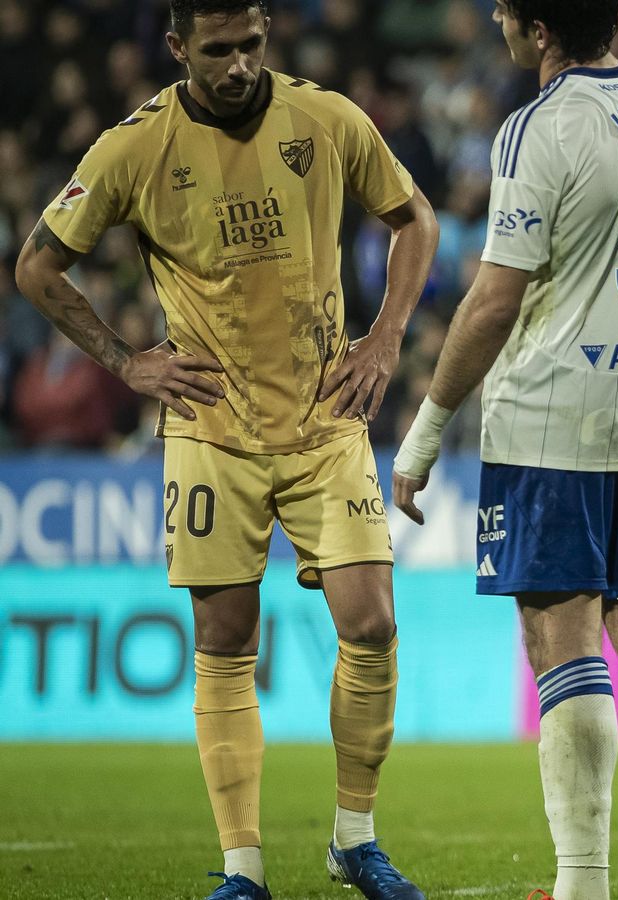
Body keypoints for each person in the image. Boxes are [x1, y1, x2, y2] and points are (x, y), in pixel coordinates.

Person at [13, 2, 439, 898]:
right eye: (218, 51)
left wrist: (388, 337)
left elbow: (416, 220)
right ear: (177, 48)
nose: (240, 65)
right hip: (212, 427)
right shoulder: (134, 148)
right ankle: (243, 868)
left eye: (251, 44)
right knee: (224, 638)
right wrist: (125, 363)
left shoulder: (326, 118)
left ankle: (353, 839)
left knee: (373, 624)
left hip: (326, 420)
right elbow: (38, 266)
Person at [388, 2, 618, 898]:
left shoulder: (535, 128)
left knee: (562, 644)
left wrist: (426, 428)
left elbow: (495, 299)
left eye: (507, 8)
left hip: (550, 414)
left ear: (536, 27)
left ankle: (582, 884)